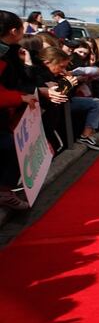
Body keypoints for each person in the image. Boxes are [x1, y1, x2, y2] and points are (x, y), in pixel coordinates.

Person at [0, 11, 38, 210]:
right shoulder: (4, 54)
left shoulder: (9, 52)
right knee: (17, 146)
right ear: (14, 31)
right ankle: (5, 191)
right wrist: (19, 97)